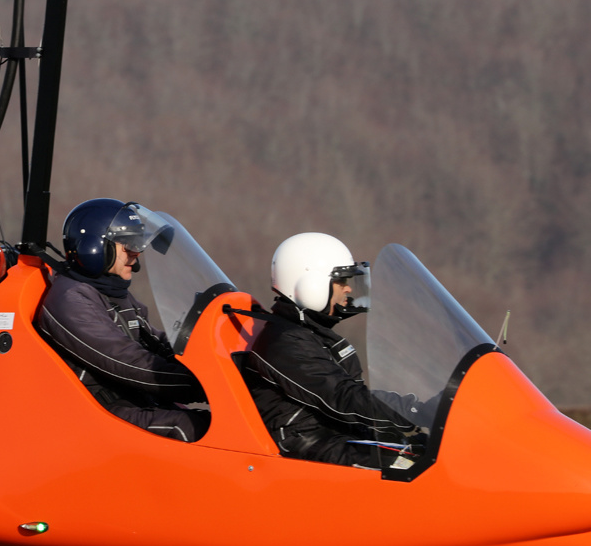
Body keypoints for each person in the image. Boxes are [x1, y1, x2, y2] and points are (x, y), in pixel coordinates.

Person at [239, 232, 423, 468]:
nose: (348, 290)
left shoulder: (312, 333)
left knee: (426, 453)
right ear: (310, 285)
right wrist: (414, 410)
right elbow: (342, 397)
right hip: (305, 448)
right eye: (341, 282)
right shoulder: (285, 342)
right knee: (411, 471)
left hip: (334, 436)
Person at [35, 198, 210, 442]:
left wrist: (211, 362)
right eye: (128, 245)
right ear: (95, 248)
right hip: (99, 414)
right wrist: (199, 385)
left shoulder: (112, 292)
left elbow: (155, 341)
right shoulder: (71, 300)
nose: (135, 255)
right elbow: (126, 361)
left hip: (134, 400)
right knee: (196, 430)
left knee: (224, 427)